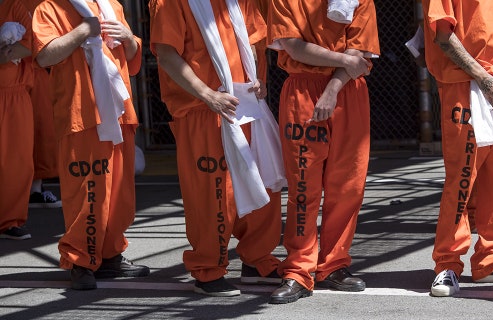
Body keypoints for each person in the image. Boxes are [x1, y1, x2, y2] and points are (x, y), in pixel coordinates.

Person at [148, 0, 284, 297]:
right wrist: (208, 95)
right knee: (213, 193)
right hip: (202, 108)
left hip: (245, 106)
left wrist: (259, 82)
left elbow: (255, 45)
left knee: (264, 186)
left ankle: (257, 259)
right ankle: (208, 269)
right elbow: (167, 55)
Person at [422, 0, 493, 297]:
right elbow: (443, 35)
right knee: (462, 179)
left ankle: (491, 261)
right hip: (467, 83)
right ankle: (447, 263)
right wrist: (482, 76)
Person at [267, 0, 380, 304]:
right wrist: (341, 61)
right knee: (304, 185)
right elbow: (292, 46)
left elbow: (359, 55)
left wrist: (332, 89)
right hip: (303, 89)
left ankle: (333, 264)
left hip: (347, 90)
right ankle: (299, 269)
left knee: (348, 186)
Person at [32, 0, 149, 290]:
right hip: (80, 113)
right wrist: (83, 30)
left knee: (120, 193)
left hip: (118, 110)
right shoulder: (49, 7)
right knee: (85, 192)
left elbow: (133, 58)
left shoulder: (113, 5)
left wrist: (126, 36)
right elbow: (45, 56)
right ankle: (80, 260)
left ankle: (110, 255)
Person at [0, 0, 34, 240]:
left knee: (17, 160)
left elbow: (31, 45)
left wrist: (6, 54)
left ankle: (9, 220)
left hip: (14, 93)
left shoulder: (15, 6)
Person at [24, 0, 61, 209]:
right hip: (16, 74)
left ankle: (35, 189)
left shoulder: (44, 4)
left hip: (35, 72)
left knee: (41, 131)